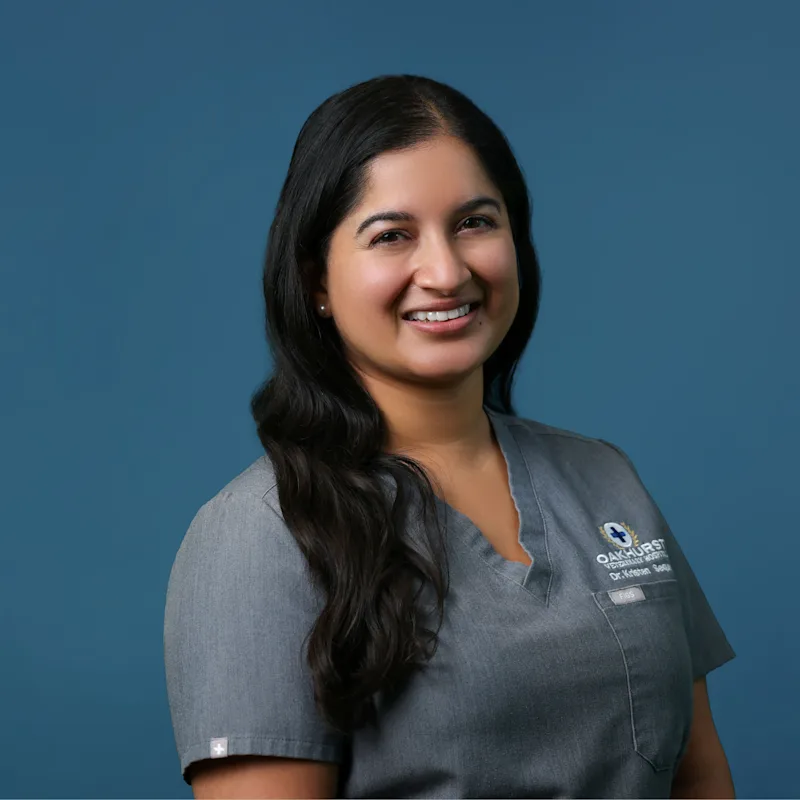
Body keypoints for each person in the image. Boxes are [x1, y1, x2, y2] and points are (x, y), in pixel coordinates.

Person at [163, 74, 736, 799]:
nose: (446, 271)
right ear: (316, 280)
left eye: (475, 222)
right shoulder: (257, 538)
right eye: (392, 235)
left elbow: (700, 773)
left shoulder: (603, 478)